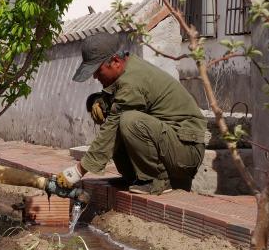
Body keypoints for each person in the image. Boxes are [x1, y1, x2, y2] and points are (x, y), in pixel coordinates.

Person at [57, 34, 207, 196]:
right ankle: (137, 177)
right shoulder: (127, 71)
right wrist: (97, 101)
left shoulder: (133, 81)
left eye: (97, 70)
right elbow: (117, 100)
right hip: (172, 145)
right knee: (121, 120)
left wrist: (78, 171)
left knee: (128, 121)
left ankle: (158, 180)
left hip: (186, 152)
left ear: (115, 61)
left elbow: (112, 127)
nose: (94, 76)